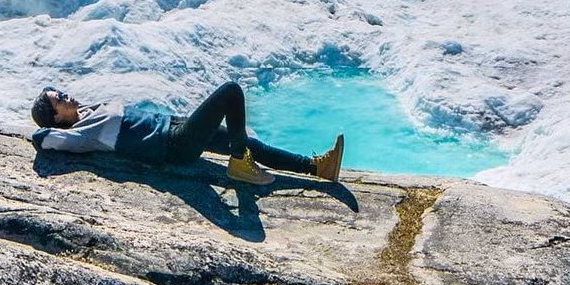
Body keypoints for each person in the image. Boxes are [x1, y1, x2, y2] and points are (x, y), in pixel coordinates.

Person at [30, 80, 344, 186]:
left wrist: (54, 98)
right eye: (59, 99)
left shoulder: (86, 111)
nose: (66, 95)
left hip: (174, 125)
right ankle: (239, 165)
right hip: (172, 145)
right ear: (56, 117)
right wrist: (44, 126)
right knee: (231, 92)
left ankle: (317, 168)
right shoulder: (80, 135)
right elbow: (41, 138)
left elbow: (53, 94)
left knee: (245, 141)